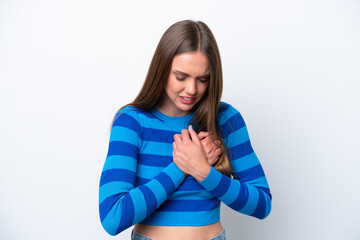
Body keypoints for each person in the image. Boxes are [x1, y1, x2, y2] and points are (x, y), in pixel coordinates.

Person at [99, 20, 272, 240]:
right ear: (161, 70)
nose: (191, 89)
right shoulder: (132, 122)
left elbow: (262, 204)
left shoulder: (227, 120)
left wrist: (204, 172)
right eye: (181, 77)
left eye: (202, 79)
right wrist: (182, 167)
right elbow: (112, 217)